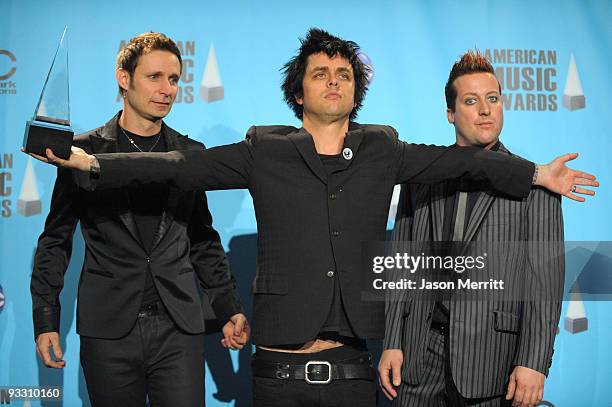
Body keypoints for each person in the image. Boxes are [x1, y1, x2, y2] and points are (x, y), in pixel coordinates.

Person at [31, 29, 597, 406]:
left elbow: (461, 160)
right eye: (321, 72)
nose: (334, 79)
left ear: (357, 92)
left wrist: (535, 175)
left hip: (353, 369)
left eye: (344, 74)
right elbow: (180, 167)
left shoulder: (384, 149)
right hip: (276, 371)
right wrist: (91, 162)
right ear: (298, 93)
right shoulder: (265, 149)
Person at [30, 32, 248, 407]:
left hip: (178, 329)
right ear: (123, 77)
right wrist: (46, 319)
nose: (167, 89)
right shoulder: (82, 153)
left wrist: (228, 308)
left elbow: (202, 239)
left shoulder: (189, 153)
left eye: (175, 79)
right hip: (109, 332)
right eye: (155, 77)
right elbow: (55, 239)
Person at [379, 51, 566, 407]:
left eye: (493, 99)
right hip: (418, 358)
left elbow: (545, 283)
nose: (485, 110)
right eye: (471, 100)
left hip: (492, 362)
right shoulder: (421, 178)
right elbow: (401, 263)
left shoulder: (537, 183)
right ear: (451, 114)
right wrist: (392, 340)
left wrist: (533, 362)